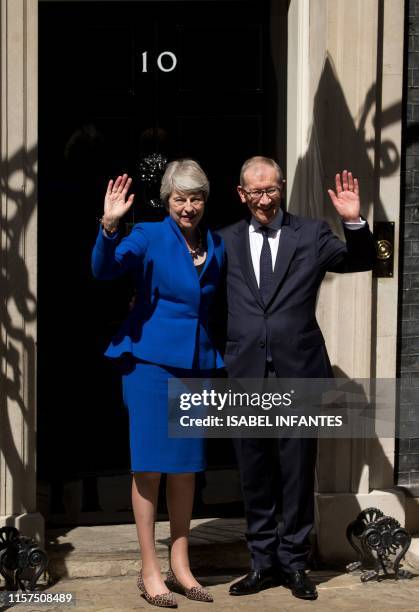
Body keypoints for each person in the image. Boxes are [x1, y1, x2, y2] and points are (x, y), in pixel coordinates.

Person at [217, 156, 376, 600]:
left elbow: (360, 260)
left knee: (296, 470)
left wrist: (354, 221)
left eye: (272, 190)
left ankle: (295, 564)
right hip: (246, 374)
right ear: (241, 194)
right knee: (255, 473)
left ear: (281, 188)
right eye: (256, 192)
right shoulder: (224, 240)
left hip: (300, 373)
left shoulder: (311, 234)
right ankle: (262, 563)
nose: (265, 200)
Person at [92, 159, 224, 608]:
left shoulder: (217, 243)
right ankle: (150, 569)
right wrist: (109, 228)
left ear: (205, 200)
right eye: (179, 198)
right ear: (166, 200)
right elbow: (105, 269)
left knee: (185, 468)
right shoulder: (148, 235)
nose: (188, 207)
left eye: (196, 198)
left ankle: (182, 566)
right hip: (149, 363)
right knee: (149, 467)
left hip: (196, 365)